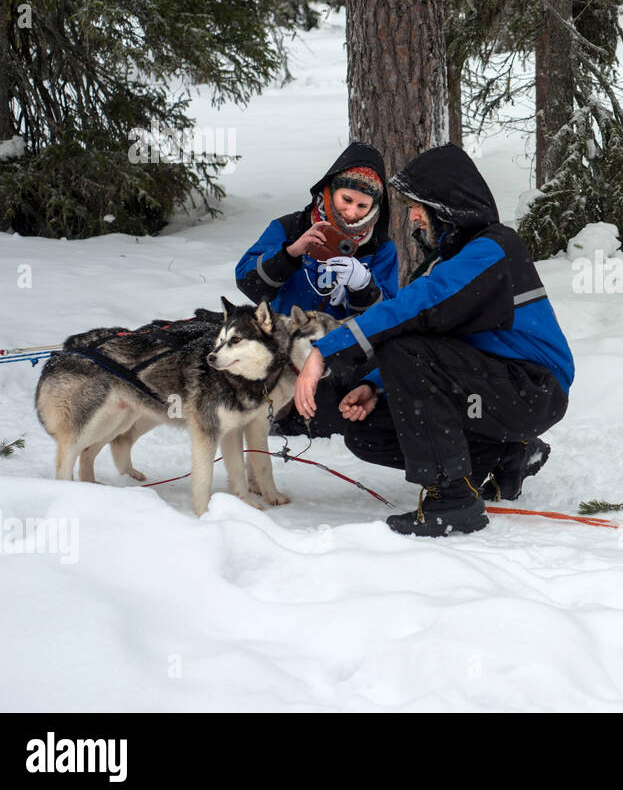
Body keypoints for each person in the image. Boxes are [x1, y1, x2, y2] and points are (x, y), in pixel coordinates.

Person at [293, 142, 574, 537]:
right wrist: (375, 385)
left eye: (420, 207)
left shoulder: (494, 247)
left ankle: (453, 500)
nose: (413, 217)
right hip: (494, 388)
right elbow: (441, 340)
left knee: (404, 350)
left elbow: (415, 309)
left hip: (532, 389)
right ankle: (506, 454)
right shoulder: (453, 262)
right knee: (366, 431)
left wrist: (324, 351)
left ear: (447, 209)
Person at [235, 141, 399, 323]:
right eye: (346, 199)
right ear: (330, 190)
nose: (351, 212)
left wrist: (362, 285)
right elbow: (247, 283)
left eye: (362, 206)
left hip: (345, 347)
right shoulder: (290, 228)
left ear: (374, 207)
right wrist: (290, 254)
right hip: (288, 342)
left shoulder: (380, 248)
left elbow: (385, 319)